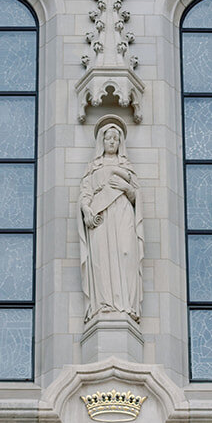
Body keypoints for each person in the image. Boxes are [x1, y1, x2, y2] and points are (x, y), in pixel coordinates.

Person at [78, 121, 144, 323]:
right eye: (108, 138)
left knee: (126, 254)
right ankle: (104, 305)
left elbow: (136, 197)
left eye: (116, 138)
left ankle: (126, 307)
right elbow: (85, 194)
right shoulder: (93, 167)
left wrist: (126, 187)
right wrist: (86, 210)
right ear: (102, 141)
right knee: (102, 259)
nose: (112, 141)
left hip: (123, 213)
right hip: (101, 219)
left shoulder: (127, 167)